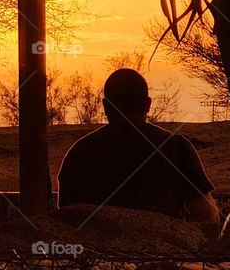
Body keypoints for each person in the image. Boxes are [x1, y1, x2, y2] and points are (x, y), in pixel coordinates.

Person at [57, 68, 219, 223]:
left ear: (105, 106)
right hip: (165, 250)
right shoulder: (177, 149)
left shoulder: (78, 155)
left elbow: (66, 217)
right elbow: (207, 217)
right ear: (148, 104)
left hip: (95, 251)